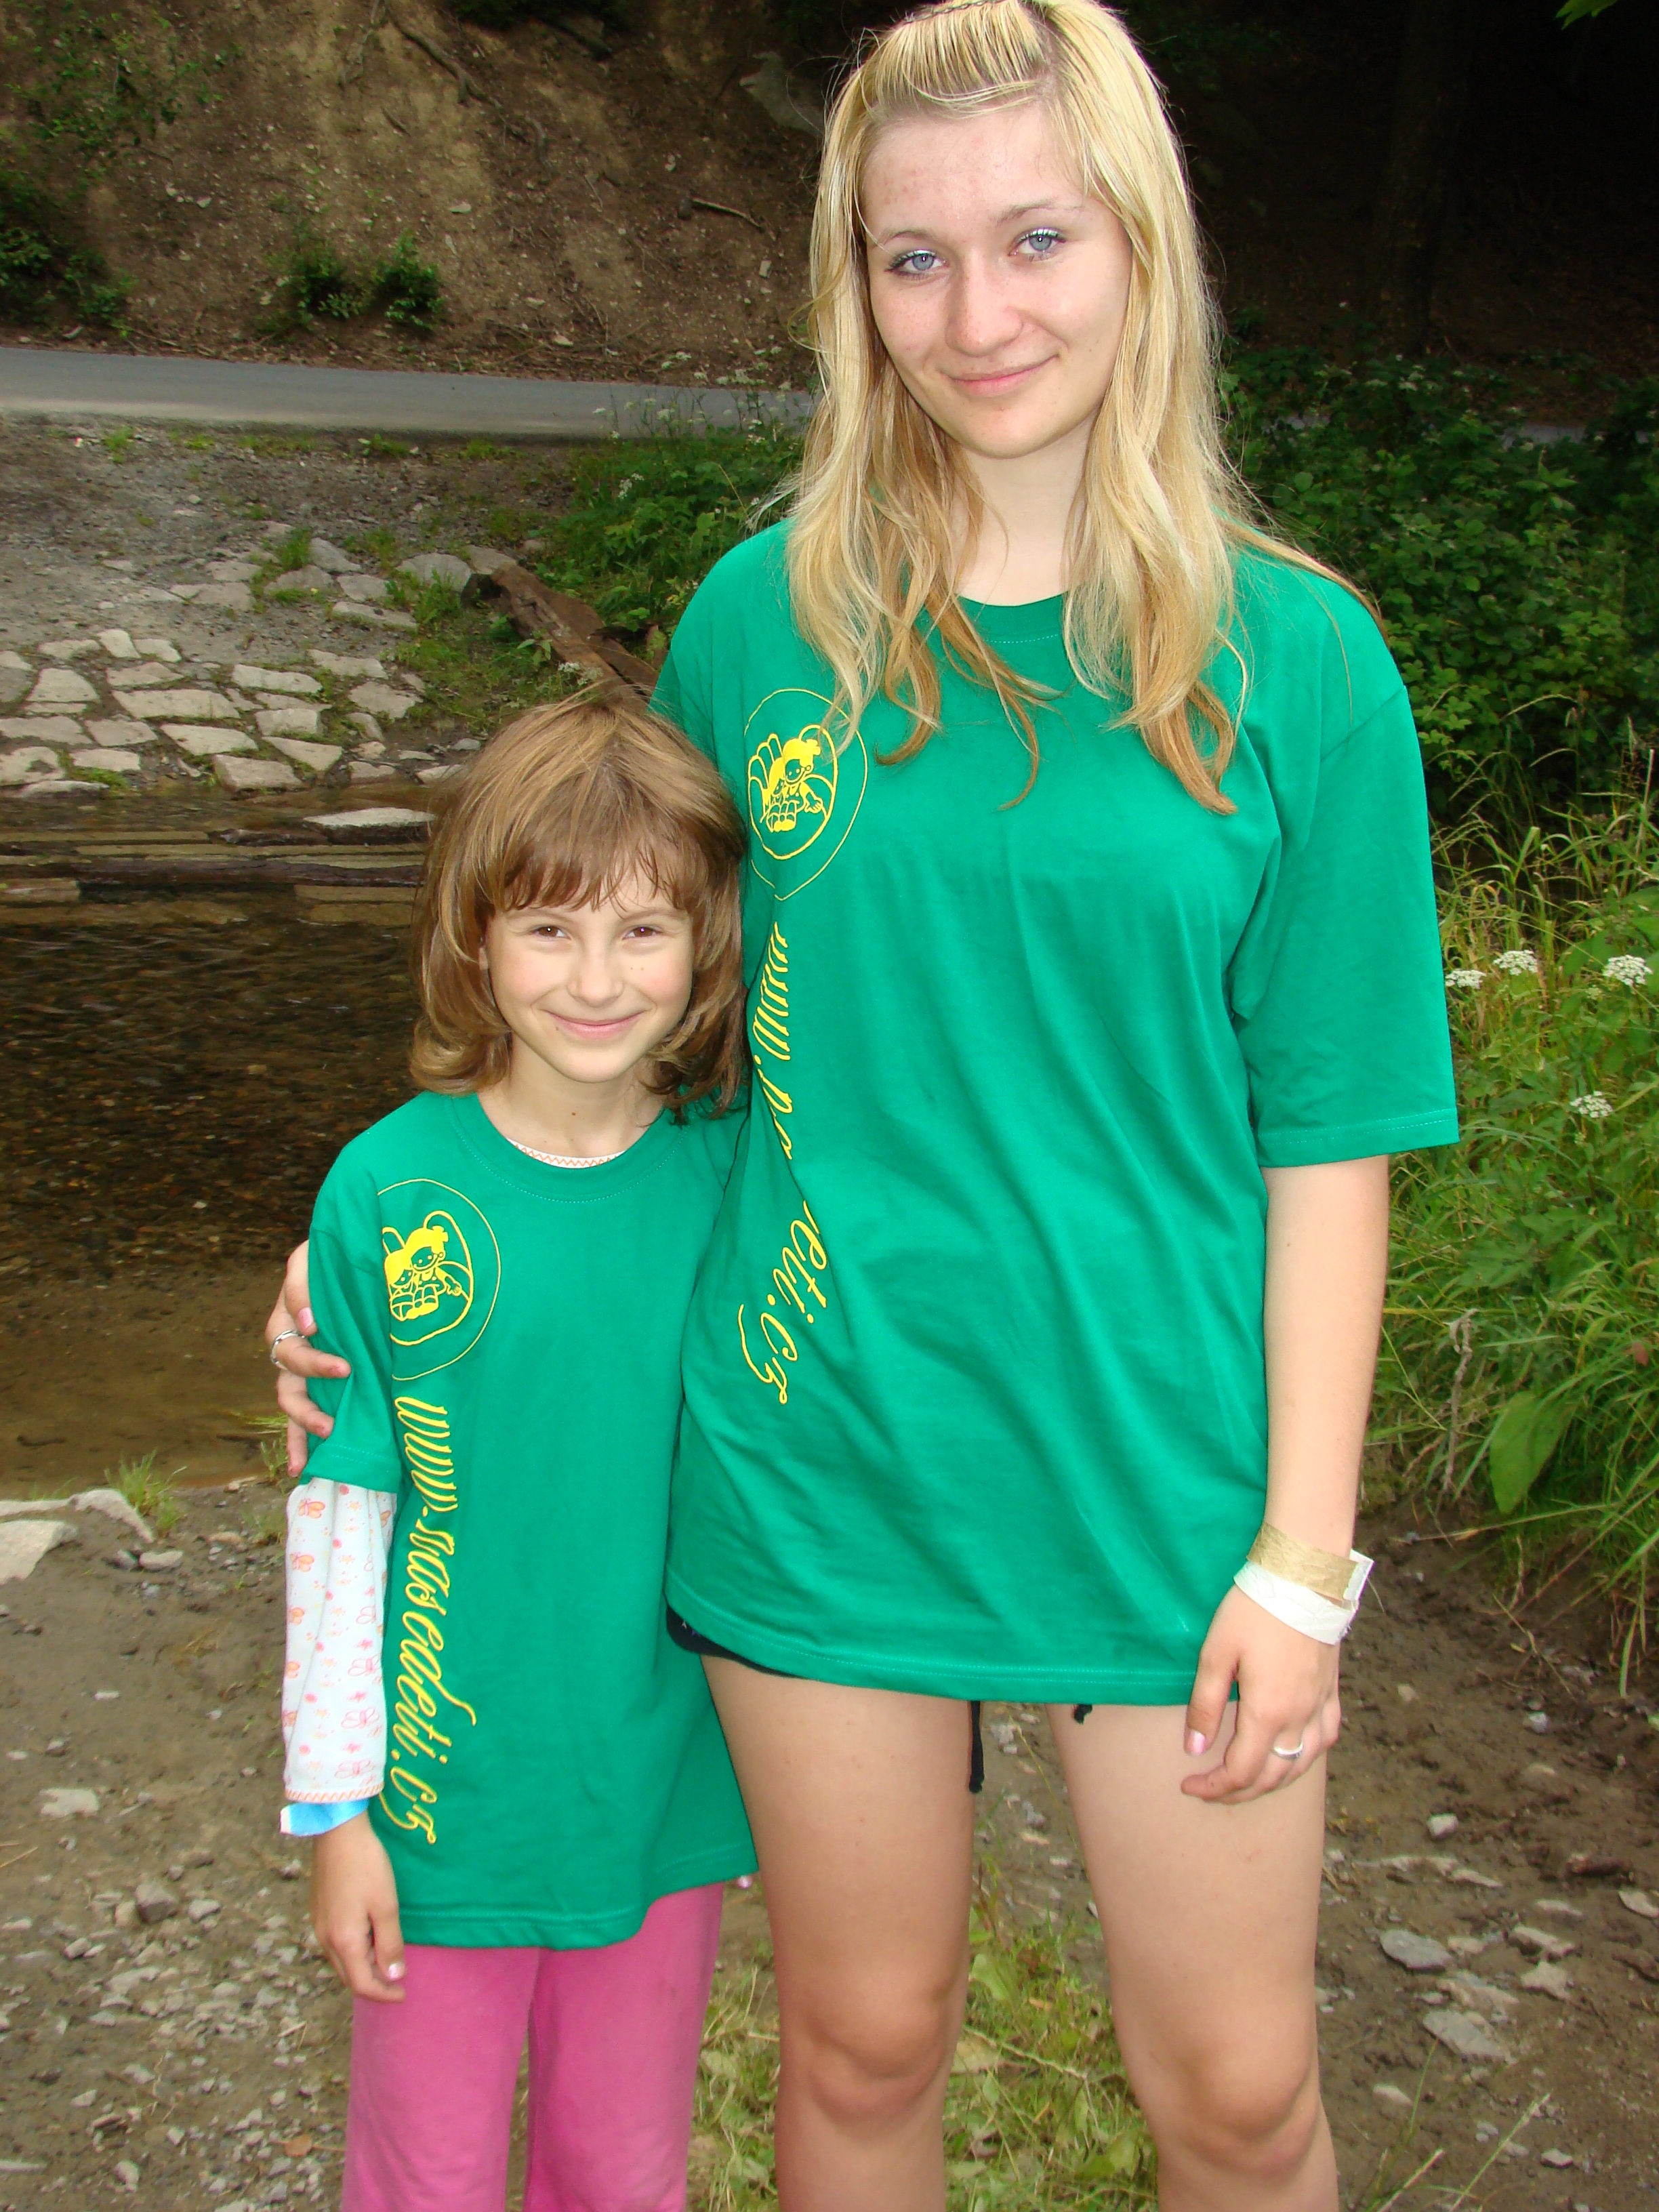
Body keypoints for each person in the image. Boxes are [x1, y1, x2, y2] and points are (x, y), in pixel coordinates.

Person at [272, 4, 1460, 2207]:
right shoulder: (764, 625)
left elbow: (1331, 1142)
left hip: (1165, 1478)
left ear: (1141, 243)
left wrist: (1303, 1560)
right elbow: (636, 1029)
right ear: (853, 285)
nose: (976, 314)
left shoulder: (1301, 665)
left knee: (1236, 2093)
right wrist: (387, 1234)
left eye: (1035, 239)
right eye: (914, 258)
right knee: (860, 2040)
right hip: (819, 1459)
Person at [274, 690, 756, 2212]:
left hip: (661, 1790)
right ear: (474, 936)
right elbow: (342, 1514)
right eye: (549, 930)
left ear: (708, 943)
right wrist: (335, 1813)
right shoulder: (387, 1189)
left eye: (643, 931)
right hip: (436, 1806)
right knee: (425, 2175)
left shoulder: (743, 1176)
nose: (596, 981)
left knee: (623, 2170)